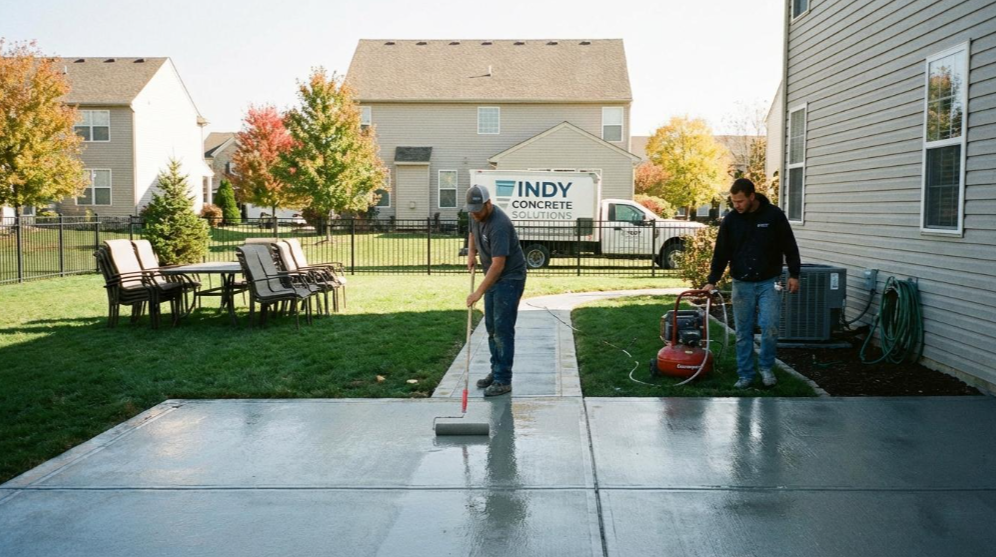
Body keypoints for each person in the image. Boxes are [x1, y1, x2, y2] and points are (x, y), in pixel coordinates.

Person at [703, 178, 801, 389]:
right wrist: (712, 280)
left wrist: (794, 273)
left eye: (740, 201)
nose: (736, 205)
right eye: (733, 201)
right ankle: (746, 374)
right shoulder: (731, 220)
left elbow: (789, 245)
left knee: (770, 327)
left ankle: (766, 368)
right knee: (743, 332)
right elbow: (721, 252)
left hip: (768, 282)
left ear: (752, 197)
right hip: (742, 284)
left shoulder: (773, 215)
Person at [465, 184, 527, 396]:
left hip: (509, 278)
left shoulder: (499, 224)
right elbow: (472, 232)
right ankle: (496, 370)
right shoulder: (475, 215)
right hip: (493, 277)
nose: (474, 214)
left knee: (502, 329)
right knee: (491, 327)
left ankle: (503, 379)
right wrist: (471, 254)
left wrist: (477, 293)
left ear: (488, 204)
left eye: (477, 210)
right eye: (471, 210)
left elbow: (498, 264)